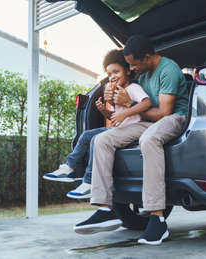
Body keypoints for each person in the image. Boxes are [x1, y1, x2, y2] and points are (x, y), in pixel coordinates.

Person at [74, 35, 188, 246]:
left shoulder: (168, 69)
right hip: (147, 120)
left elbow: (164, 113)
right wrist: (113, 100)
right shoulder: (142, 76)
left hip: (174, 118)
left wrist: (128, 102)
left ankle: (157, 218)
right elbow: (134, 109)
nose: (132, 69)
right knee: (101, 140)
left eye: (134, 64)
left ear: (147, 57)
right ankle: (105, 208)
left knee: (149, 140)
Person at [43, 49, 150, 200]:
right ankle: (69, 167)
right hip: (118, 129)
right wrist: (103, 111)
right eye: (110, 74)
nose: (112, 77)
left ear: (127, 70)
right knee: (87, 135)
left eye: (116, 71)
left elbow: (147, 103)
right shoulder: (114, 92)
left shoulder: (133, 88)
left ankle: (89, 181)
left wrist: (126, 111)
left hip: (132, 130)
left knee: (95, 140)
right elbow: (114, 118)